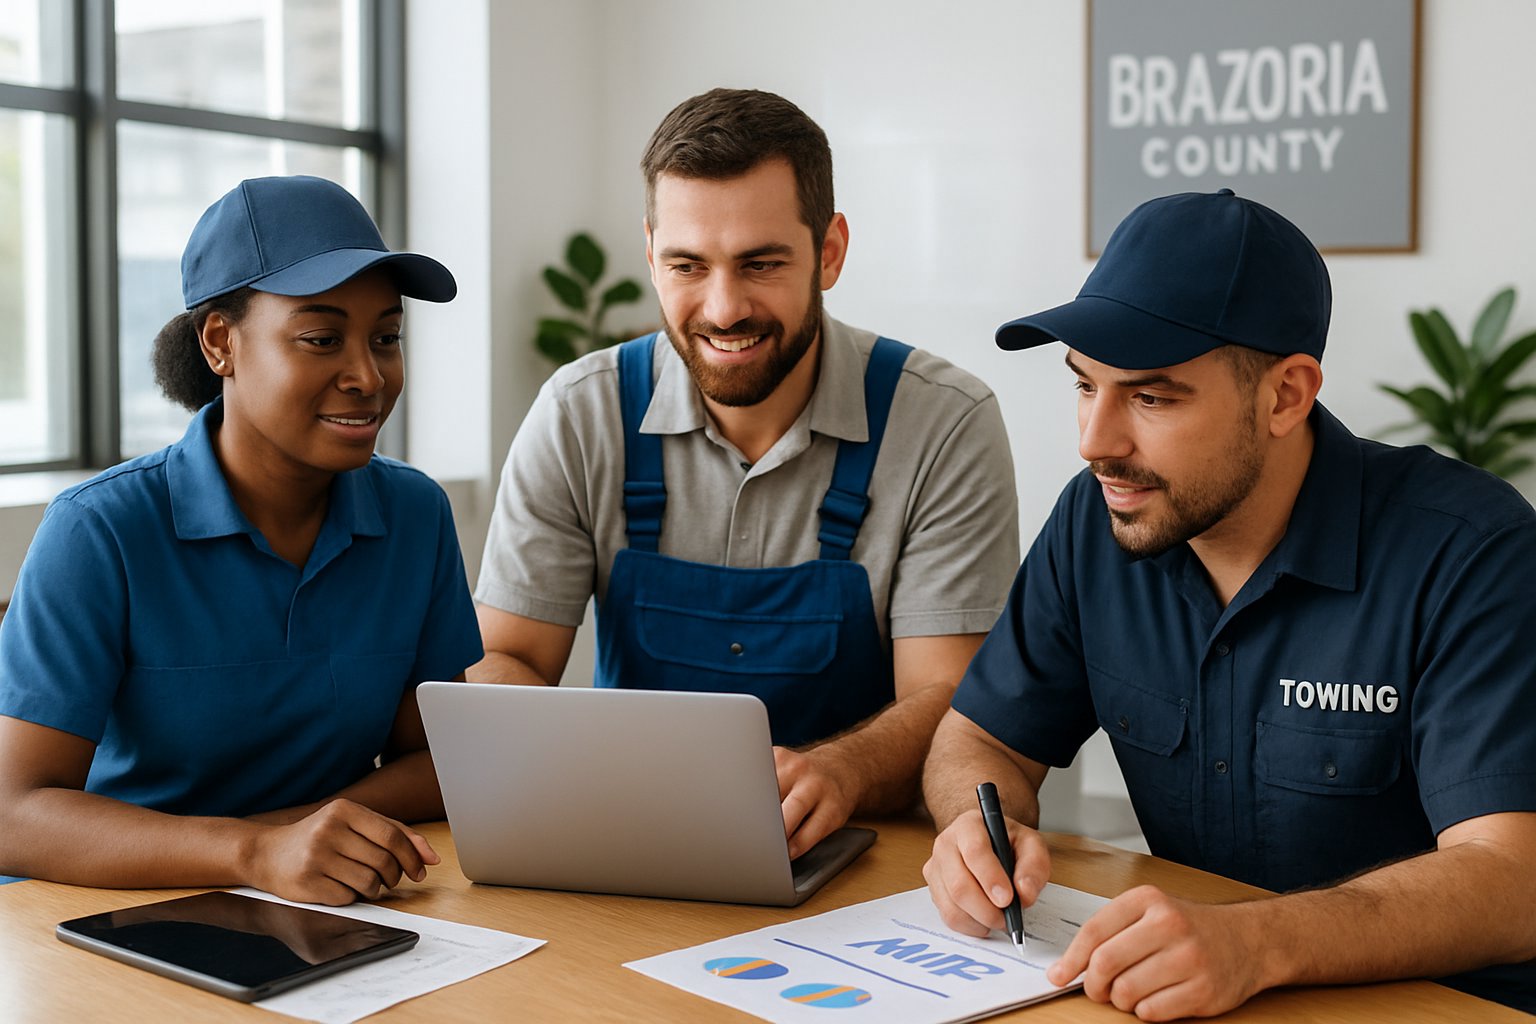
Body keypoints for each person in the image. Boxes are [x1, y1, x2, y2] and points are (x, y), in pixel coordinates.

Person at [921, 188, 1536, 1017]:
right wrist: (975, 833)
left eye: (1151, 398)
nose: (1094, 441)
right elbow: (979, 738)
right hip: (1189, 999)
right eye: (1084, 386)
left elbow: (1512, 880)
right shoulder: (1096, 518)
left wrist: (1256, 940)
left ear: (1286, 395)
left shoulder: (1473, 550)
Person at [472, 88, 1019, 858]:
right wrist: (622, 776)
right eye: (687, 265)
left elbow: (949, 700)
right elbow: (508, 659)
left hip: (863, 862)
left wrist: (840, 769)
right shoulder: (578, 413)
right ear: (651, 251)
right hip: (632, 842)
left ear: (829, 252)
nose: (724, 308)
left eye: (761, 264)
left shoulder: (942, 423)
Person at [0, 175, 483, 905]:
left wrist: (304, 838)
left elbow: (441, 762)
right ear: (222, 343)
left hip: (326, 897)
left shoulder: (416, 514)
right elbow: (15, 813)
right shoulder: (100, 529)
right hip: (116, 906)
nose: (368, 375)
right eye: (321, 339)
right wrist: (256, 850)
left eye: (386, 338)